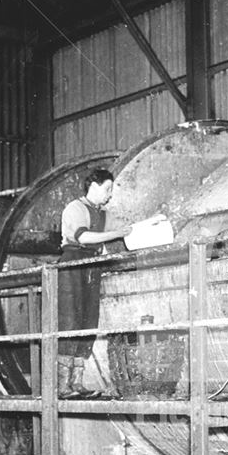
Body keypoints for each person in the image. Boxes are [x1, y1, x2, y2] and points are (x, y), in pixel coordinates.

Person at [56, 169, 132, 398]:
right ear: (94, 186)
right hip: (73, 264)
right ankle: (62, 386)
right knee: (70, 321)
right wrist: (117, 233)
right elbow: (83, 238)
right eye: (107, 189)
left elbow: (123, 228)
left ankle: (76, 384)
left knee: (88, 321)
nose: (110, 195)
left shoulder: (102, 214)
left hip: (91, 265)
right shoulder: (75, 208)